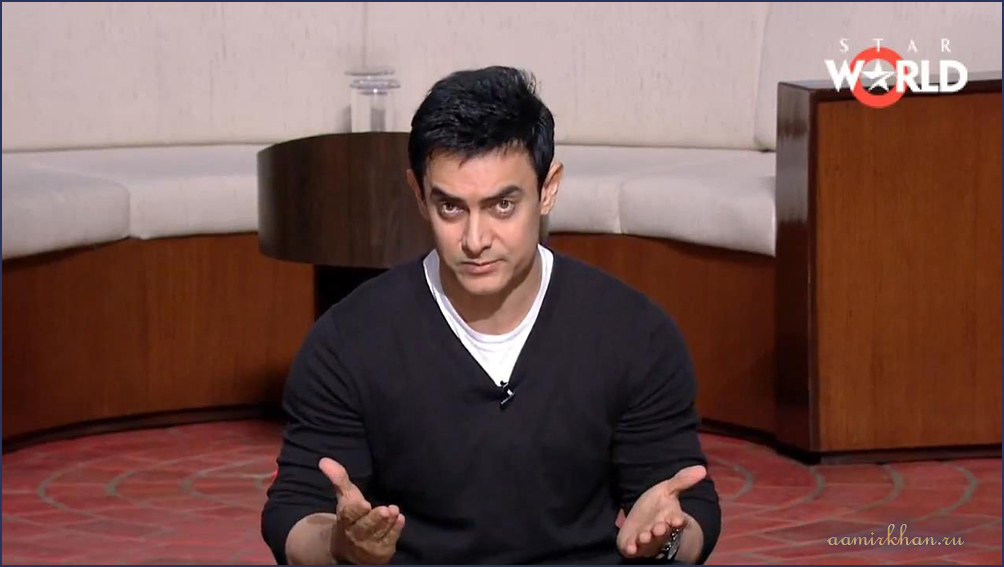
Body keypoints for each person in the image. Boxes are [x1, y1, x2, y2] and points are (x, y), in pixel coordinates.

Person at [261, 65, 721, 565]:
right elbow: (295, 515)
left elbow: (684, 511)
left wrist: (666, 541)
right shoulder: (349, 340)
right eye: (451, 208)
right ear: (418, 195)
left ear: (548, 189)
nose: (475, 240)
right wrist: (339, 546)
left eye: (502, 205)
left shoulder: (633, 333)